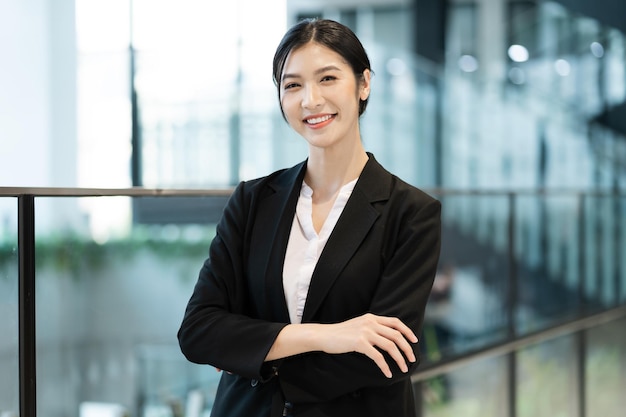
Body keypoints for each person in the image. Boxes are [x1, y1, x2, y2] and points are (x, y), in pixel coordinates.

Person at [178, 18, 441, 417]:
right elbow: (198, 331)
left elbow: (386, 358)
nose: (310, 100)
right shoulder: (252, 201)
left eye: (328, 79)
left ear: (363, 84)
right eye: (293, 85)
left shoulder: (411, 213)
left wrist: (251, 351)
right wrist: (331, 336)